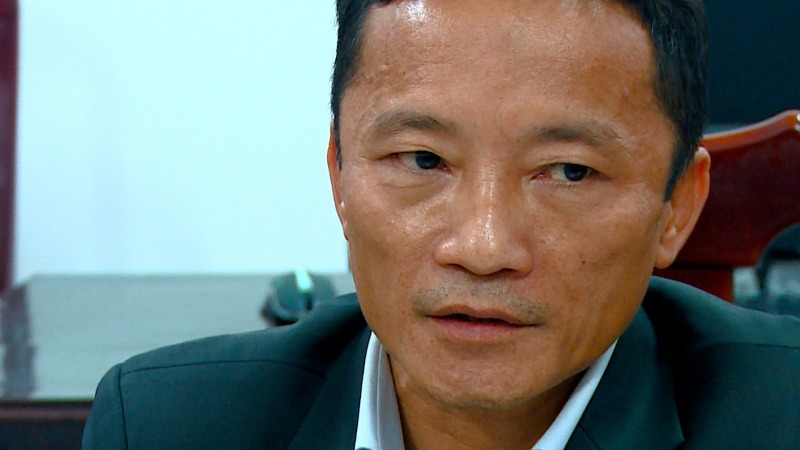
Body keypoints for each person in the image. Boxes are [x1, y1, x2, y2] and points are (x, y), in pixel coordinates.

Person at [82, 1, 800, 449]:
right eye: (423, 159)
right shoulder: (164, 426)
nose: (483, 248)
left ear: (678, 205)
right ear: (339, 176)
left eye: (568, 171)